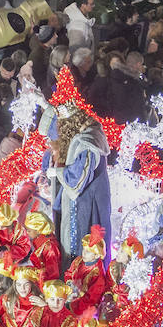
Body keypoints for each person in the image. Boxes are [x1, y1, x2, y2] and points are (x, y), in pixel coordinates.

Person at [47, 101, 111, 259]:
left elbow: (76, 180)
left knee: (78, 244)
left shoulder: (87, 143)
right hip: (87, 199)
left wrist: (57, 172)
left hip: (85, 203)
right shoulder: (88, 135)